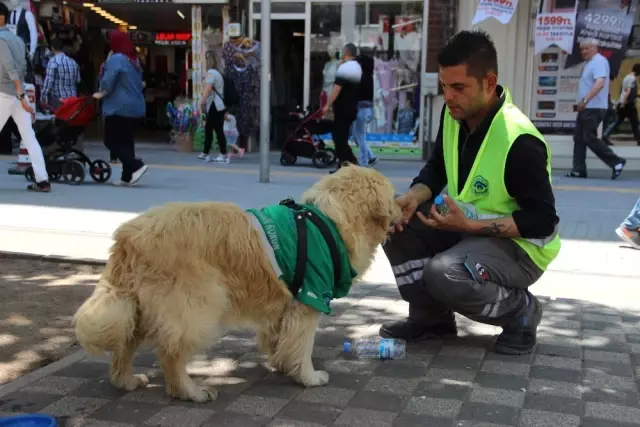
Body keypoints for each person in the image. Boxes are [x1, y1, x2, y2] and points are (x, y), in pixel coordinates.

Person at [380, 29, 561, 356]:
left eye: (459, 87)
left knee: (445, 274)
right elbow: (436, 169)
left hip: (520, 249)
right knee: (395, 226)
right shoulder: (453, 114)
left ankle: (520, 313)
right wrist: (413, 198)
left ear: (489, 83)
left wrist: (469, 227)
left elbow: (542, 222)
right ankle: (431, 319)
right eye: (444, 87)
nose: (448, 96)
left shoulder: (519, 140)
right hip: (468, 231)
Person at [0, 2, 50, 192]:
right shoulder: (19, 41)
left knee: (28, 137)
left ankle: (43, 180)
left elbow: (10, 68)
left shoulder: (1, 40)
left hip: (6, 93)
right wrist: (23, 96)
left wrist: (20, 93)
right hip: (18, 95)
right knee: (29, 137)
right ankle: (42, 180)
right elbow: (22, 68)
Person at [566, 38, 626, 180]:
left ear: (595, 48)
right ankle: (578, 169)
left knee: (589, 137)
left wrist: (586, 100)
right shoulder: (590, 63)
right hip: (586, 107)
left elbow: (599, 83)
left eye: (587, 48)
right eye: (582, 49)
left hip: (593, 107)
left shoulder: (599, 61)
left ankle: (616, 162)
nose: (584, 52)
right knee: (579, 138)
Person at [93, 30, 148, 186]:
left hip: (120, 106)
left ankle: (136, 165)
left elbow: (108, 80)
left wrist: (101, 92)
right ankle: (127, 177)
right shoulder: (134, 60)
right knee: (126, 141)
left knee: (111, 141)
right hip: (136, 106)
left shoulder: (117, 59)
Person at [322, 43, 361, 173]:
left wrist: (327, 105)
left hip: (343, 108)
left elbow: (336, 89)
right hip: (351, 107)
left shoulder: (345, 68)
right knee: (342, 137)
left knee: (338, 137)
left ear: (346, 52)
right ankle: (344, 165)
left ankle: (350, 163)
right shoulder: (357, 67)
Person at [197, 51, 229, 163]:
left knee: (213, 129)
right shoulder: (218, 73)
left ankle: (221, 154)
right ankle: (207, 152)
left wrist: (201, 102)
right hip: (220, 106)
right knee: (212, 129)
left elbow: (207, 90)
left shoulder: (211, 73)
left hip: (215, 105)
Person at [603, 63, 640, 147]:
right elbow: (628, 91)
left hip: (623, 103)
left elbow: (624, 90)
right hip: (628, 105)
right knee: (635, 122)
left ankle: (605, 135)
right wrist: (625, 101)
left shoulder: (626, 77)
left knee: (618, 121)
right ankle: (638, 139)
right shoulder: (633, 79)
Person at [40, 38, 80, 110]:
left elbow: (48, 82)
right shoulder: (73, 62)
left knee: (59, 119)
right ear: (62, 48)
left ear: (52, 48)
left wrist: (42, 97)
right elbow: (78, 80)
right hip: (73, 100)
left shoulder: (53, 62)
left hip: (60, 101)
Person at [353, 53, 378, 167]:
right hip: (369, 110)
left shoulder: (360, 78)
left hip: (361, 111)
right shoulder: (370, 77)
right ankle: (371, 156)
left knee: (360, 137)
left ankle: (364, 162)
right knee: (357, 136)